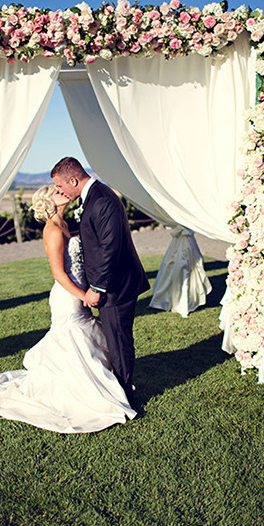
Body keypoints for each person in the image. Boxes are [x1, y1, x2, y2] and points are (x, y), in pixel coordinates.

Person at [0, 184, 136, 433]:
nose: (62, 192)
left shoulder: (64, 225)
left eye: (61, 189)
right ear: (47, 201)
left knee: (83, 339)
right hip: (68, 295)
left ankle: (90, 385)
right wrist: (84, 295)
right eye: (56, 191)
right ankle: (80, 392)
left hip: (79, 289)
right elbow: (59, 274)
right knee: (74, 338)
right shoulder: (52, 230)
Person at [51, 157, 150, 401]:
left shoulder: (102, 200)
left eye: (60, 186)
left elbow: (110, 248)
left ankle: (125, 394)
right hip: (111, 284)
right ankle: (119, 385)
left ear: (73, 180)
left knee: (118, 341)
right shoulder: (92, 197)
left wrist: (96, 287)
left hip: (115, 286)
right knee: (115, 338)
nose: (58, 191)